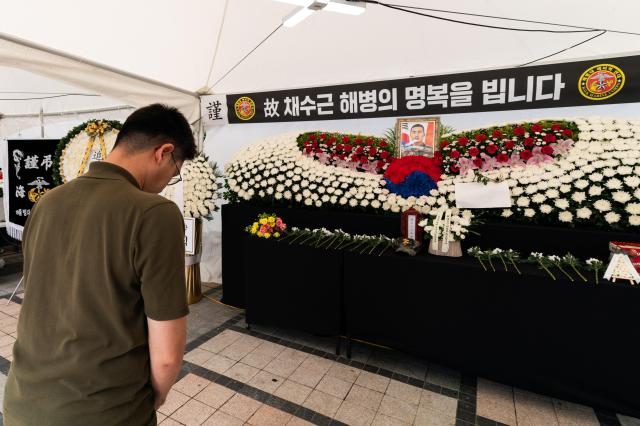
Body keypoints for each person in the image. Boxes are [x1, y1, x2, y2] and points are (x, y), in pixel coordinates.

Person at [4, 104, 197, 425]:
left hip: (22, 402)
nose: (167, 183)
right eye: (174, 172)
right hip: (104, 411)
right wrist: (154, 398)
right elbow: (167, 355)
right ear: (164, 152)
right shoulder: (154, 213)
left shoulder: (48, 202)